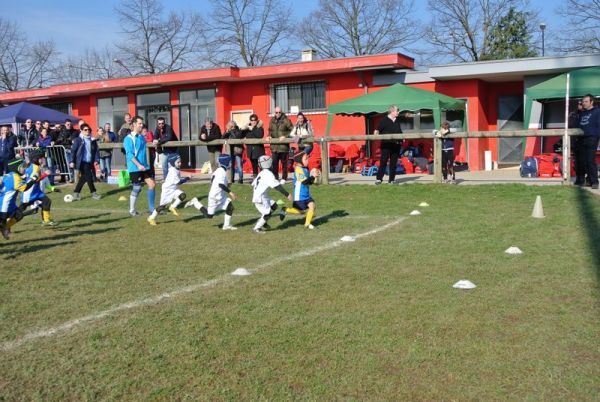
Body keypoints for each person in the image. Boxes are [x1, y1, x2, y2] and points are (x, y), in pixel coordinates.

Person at [185, 154, 238, 230]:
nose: (231, 163)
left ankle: (226, 226)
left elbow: (217, 182)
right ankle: (195, 202)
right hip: (214, 197)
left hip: (220, 196)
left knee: (230, 207)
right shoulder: (221, 172)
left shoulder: (219, 171)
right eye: (230, 161)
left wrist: (227, 185)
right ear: (226, 162)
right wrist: (231, 193)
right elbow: (220, 184)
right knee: (209, 216)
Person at [123, 116, 156, 216]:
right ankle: (132, 210)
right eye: (140, 123)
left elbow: (145, 146)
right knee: (137, 188)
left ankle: (152, 209)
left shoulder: (141, 137)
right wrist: (138, 165)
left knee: (152, 184)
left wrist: (154, 142)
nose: (142, 125)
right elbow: (129, 155)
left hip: (144, 166)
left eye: (142, 123)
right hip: (134, 167)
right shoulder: (128, 139)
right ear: (133, 125)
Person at [251, 155, 292, 234]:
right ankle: (256, 228)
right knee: (268, 212)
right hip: (260, 197)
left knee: (274, 206)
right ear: (269, 163)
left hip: (261, 195)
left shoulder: (262, 173)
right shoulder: (268, 174)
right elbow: (277, 187)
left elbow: (253, 184)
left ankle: (263, 222)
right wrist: (287, 194)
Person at [280, 151, 319, 229]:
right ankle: (285, 209)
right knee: (300, 212)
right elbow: (304, 182)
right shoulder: (298, 169)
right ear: (299, 161)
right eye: (305, 159)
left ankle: (307, 224)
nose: (307, 160)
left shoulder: (305, 169)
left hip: (306, 194)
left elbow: (308, 182)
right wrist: (313, 177)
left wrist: (315, 179)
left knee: (312, 206)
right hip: (299, 195)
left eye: (307, 159)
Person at [374, 105, 413, 185]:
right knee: (383, 162)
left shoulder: (397, 121)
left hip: (396, 145)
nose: (398, 112)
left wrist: (402, 138)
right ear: (392, 111)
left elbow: (399, 131)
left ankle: (391, 180)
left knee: (394, 163)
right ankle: (379, 179)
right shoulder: (384, 120)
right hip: (386, 144)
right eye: (397, 111)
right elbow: (377, 130)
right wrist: (376, 133)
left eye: (398, 111)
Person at [147, 154, 189, 226]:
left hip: (173, 189)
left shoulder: (176, 169)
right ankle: (151, 218)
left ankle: (172, 207)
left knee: (182, 195)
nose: (180, 163)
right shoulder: (173, 171)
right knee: (162, 207)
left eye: (180, 162)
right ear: (173, 163)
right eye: (178, 162)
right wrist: (187, 178)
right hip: (167, 190)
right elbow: (179, 182)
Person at [0, 158, 35, 239]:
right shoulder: (15, 177)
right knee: (2, 222)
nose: (24, 168)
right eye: (22, 166)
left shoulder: (10, 175)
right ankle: (4, 228)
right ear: (17, 168)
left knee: (19, 215)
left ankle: (4, 228)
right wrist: (34, 179)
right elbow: (24, 188)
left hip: (9, 205)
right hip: (3, 207)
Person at [20, 149, 56, 226]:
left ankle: (46, 220)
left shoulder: (34, 166)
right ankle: (7, 222)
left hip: (36, 191)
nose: (43, 159)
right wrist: (45, 174)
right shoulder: (35, 168)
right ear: (36, 159)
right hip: (29, 192)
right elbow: (34, 180)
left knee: (47, 201)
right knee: (20, 210)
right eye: (41, 158)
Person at [70, 124, 101, 201]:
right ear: (81, 131)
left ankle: (76, 193)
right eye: (85, 130)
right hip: (81, 162)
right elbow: (73, 151)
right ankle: (94, 193)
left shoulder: (93, 140)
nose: (87, 131)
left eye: (88, 130)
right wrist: (71, 161)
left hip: (89, 161)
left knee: (84, 178)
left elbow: (96, 150)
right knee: (89, 176)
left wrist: (96, 160)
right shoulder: (78, 140)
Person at [575, 94, 600, 189]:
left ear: (591, 102)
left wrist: (597, 136)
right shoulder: (582, 113)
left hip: (592, 138)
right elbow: (577, 125)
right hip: (582, 139)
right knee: (583, 161)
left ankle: (594, 181)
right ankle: (588, 180)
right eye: (583, 101)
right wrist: (579, 111)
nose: (583, 103)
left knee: (590, 160)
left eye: (586, 101)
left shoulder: (597, 111)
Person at [268, 106, 293, 183]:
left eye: (279, 112)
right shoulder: (272, 120)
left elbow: (292, 130)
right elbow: (270, 130)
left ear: (281, 112)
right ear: (274, 112)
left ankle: (284, 178)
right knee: (274, 163)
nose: (278, 114)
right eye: (276, 112)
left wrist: (285, 136)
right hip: (274, 146)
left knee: (284, 163)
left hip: (283, 147)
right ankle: (275, 178)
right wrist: (269, 136)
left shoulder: (286, 120)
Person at [241, 114, 265, 179]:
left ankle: (263, 179)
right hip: (251, 151)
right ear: (250, 121)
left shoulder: (260, 128)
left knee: (261, 166)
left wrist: (253, 128)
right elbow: (240, 135)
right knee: (254, 166)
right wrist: (244, 128)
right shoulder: (248, 129)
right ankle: (255, 179)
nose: (253, 122)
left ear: (257, 121)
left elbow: (259, 135)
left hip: (259, 151)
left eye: (255, 120)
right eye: (252, 120)